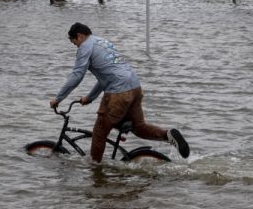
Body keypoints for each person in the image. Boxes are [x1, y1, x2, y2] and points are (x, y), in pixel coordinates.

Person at [49, 22, 189, 162]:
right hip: (134, 87)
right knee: (139, 127)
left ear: (79, 36)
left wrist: (58, 99)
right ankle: (168, 135)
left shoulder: (85, 46)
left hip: (118, 92)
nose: (77, 47)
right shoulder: (103, 42)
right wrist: (90, 97)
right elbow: (106, 77)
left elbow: (77, 75)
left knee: (99, 133)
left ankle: (95, 171)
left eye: (75, 43)